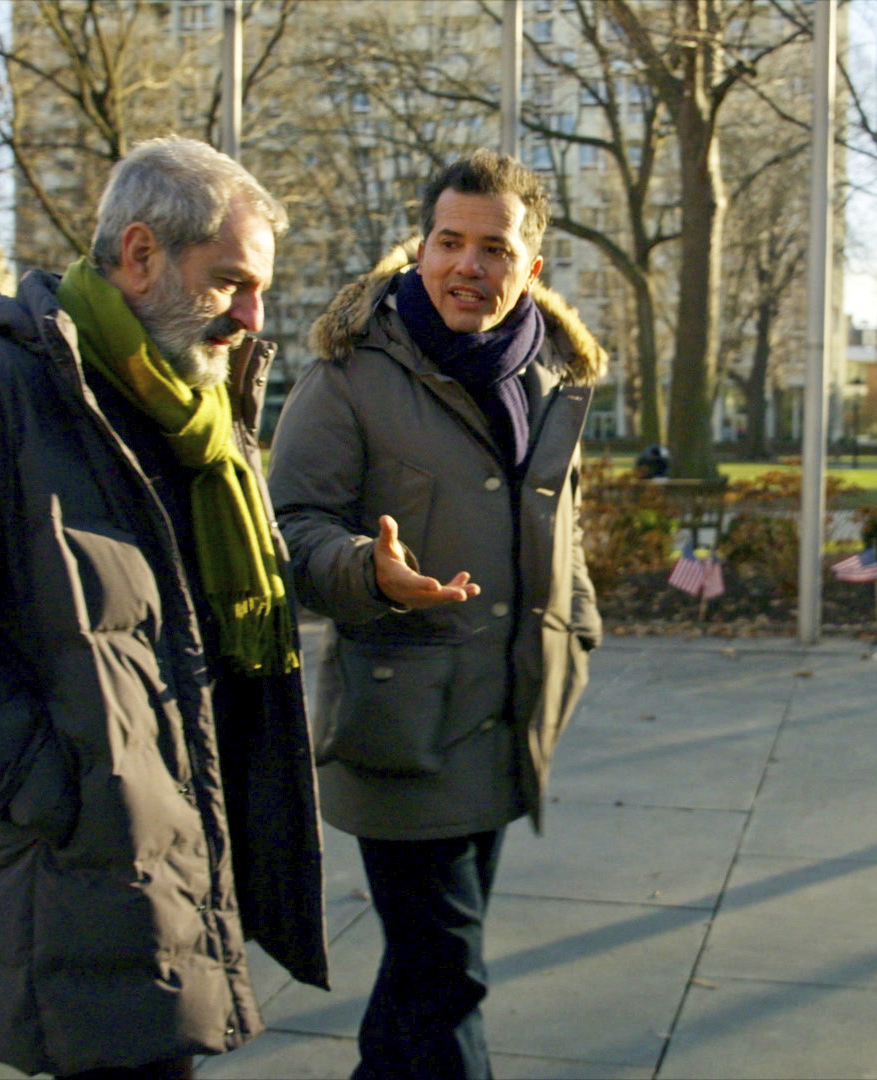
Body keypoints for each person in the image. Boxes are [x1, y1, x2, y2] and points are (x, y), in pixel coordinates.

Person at [0, 137, 326, 1079]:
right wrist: (65, 789)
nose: (254, 318)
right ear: (139, 254)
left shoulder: (193, 412)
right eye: (230, 283)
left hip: (177, 849)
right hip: (78, 865)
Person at [267, 149, 604, 1080]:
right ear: (419, 250)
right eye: (449, 242)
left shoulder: (553, 381)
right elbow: (287, 529)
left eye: (494, 248)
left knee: (423, 980)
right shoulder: (349, 374)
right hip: (401, 725)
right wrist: (366, 572)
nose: (468, 265)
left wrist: (578, 623)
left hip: (509, 721)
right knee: (448, 977)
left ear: (529, 267)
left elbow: (559, 532)